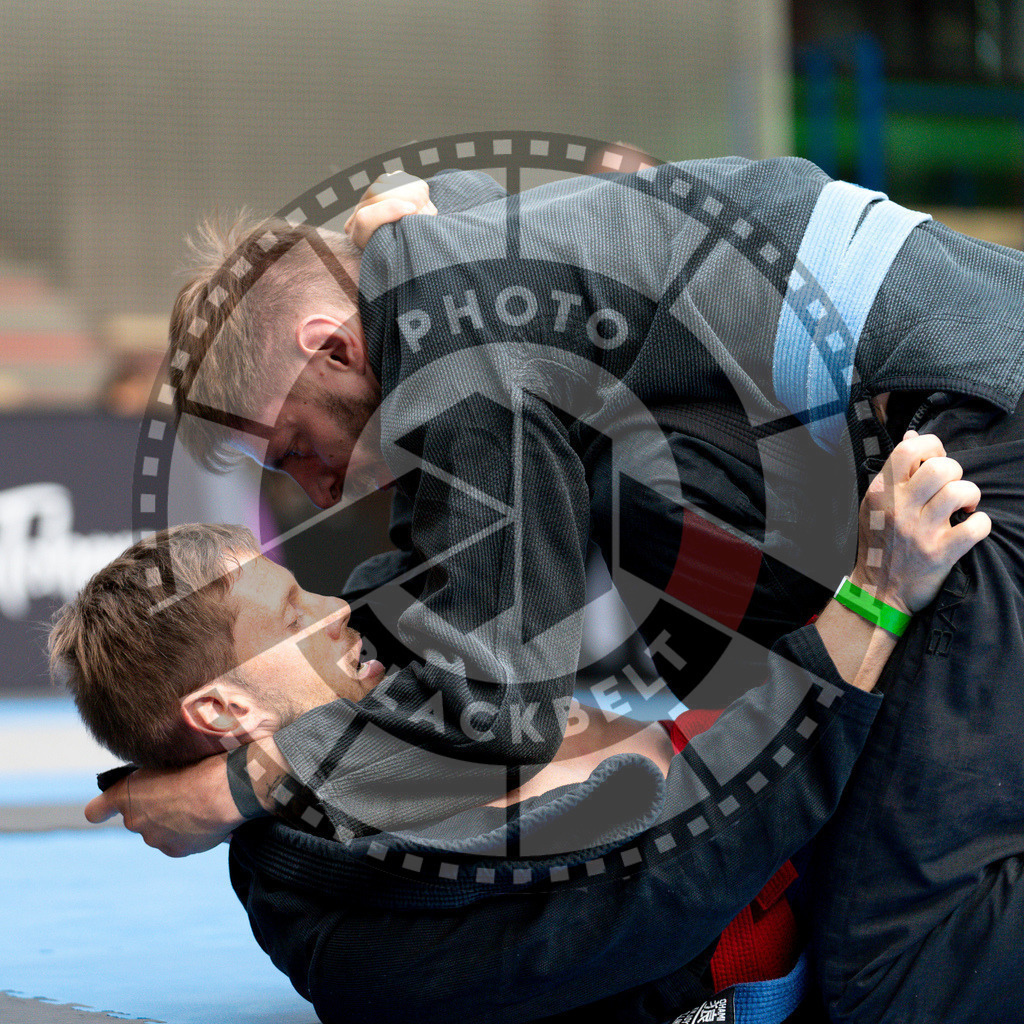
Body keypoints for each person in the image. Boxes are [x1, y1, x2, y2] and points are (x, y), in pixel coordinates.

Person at [105, 155, 1021, 1019]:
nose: (321, 490)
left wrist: (248, 781)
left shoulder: (445, 339)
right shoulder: (440, 253)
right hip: (935, 384)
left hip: (968, 426)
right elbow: (435, 589)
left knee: (898, 975)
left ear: (335, 349)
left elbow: (496, 714)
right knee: (625, 495)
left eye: (298, 448)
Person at [59, 433, 980, 1022]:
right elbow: (679, 877)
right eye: (297, 611)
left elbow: (444, 551)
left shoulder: (359, 705)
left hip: (799, 780)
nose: (338, 607)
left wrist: (240, 779)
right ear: (224, 709)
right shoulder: (356, 908)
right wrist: (877, 599)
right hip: (839, 884)